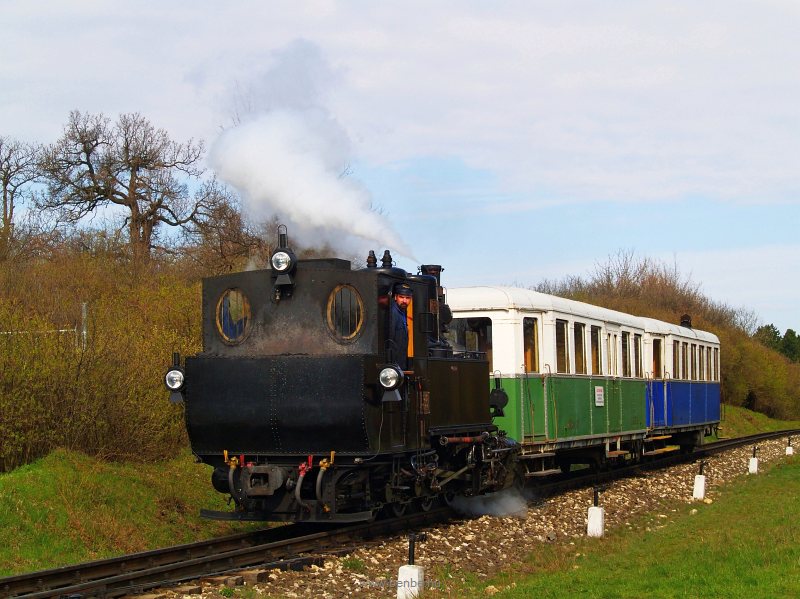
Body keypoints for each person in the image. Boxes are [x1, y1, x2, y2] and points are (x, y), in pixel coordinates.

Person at [390, 282, 413, 368]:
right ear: (396, 297)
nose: (404, 301)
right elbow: (390, 341)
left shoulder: (403, 312)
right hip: (394, 364)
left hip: (400, 363)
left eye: (407, 298)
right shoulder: (393, 313)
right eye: (401, 297)